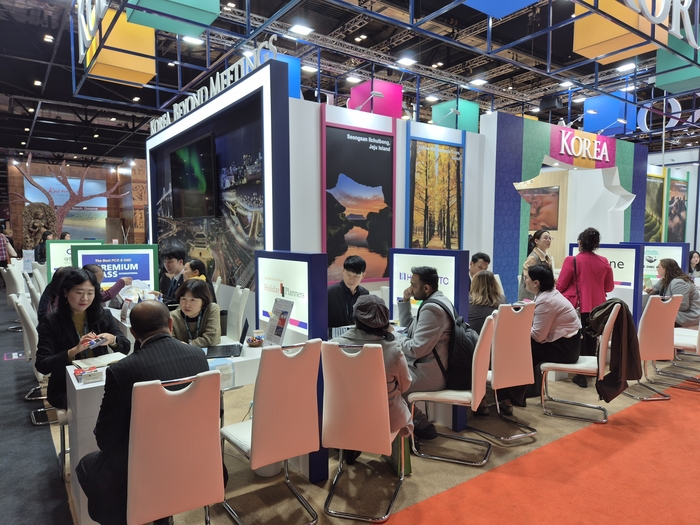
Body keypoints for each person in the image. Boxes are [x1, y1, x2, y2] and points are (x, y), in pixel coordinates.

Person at [76, 301, 210, 525]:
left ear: (134, 333)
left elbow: (105, 439)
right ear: (170, 324)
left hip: (143, 466)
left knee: (86, 465)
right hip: (194, 457)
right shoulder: (198, 355)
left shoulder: (121, 370)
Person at [330, 295, 413, 464]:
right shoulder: (393, 350)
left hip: (342, 419)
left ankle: (351, 444)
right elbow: (405, 385)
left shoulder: (332, 346)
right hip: (384, 422)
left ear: (355, 319)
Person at [35, 269, 130, 410]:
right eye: (79, 292)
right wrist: (73, 351)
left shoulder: (103, 315)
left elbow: (126, 347)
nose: (85, 298)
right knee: (92, 406)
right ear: (66, 293)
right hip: (66, 386)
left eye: (90, 293)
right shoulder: (52, 322)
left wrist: (112, 339)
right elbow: (42, 365)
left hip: (102, 381)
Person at [504, 264, 581, 407]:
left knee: (519, 348)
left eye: (526, 277)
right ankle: (515, 396)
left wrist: (519, 326)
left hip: (565, 350)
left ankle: (509, 397)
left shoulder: (546, 301)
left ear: (536, 283)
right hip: (567, 345)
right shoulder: (549, 294)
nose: (524, 280)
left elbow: (538, 336)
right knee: (522, 348)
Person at [395, 266, 453, 440]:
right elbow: (409, 330)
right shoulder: (437, 301)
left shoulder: (432, 309)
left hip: (431, 374)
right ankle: (419, 422)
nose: (410, 288)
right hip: (429, 368)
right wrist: (405, 301)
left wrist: (393, 336)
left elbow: (416, 349)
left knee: (388, 384)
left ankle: (416, 425)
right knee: (389, 378)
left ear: (426, 287)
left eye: (413, 285)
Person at [556, 227, 614, 388]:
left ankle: (581, 374)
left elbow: (560, 286)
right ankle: (590, 371)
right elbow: (609, 287)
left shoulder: (572, 260)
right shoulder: (604, 261)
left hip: (577, 306)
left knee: (579, 339)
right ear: (596, 245)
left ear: (580, 243)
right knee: (592, 340)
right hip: (599, 308)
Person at [644, 258, 700, 328]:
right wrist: (652, 291)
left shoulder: (679, 282)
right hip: (676, 313)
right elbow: (655, 288)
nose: (656, 269)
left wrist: (663, 308)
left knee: (654, 319)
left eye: (658, 267)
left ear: (666, 269)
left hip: (686, 316)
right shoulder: (665, 279)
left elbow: (682, 305)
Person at [170, 279, 221, 348]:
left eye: (193, 300)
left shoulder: (211, 309)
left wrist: (189, 344)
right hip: (183, 353)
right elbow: (170, 342)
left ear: (203, 301)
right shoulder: (173, 316)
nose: (187, 305)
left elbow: (212, 338)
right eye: (183, 299)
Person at [327, 255, 369, 333]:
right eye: (348, 275)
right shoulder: (329, 292)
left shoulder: (365, 294)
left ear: (363, 275)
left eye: (356, 276)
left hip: (356, 336)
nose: (351, 280)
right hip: (334, 336)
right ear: (343, 271)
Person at [518, 230, 553, 301]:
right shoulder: (533, 258)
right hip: (530, 296)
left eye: (550, 238)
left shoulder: (547, 257)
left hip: (542, 294)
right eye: (546, 238)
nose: (548, 240)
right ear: (536, 241)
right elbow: (528, 278)